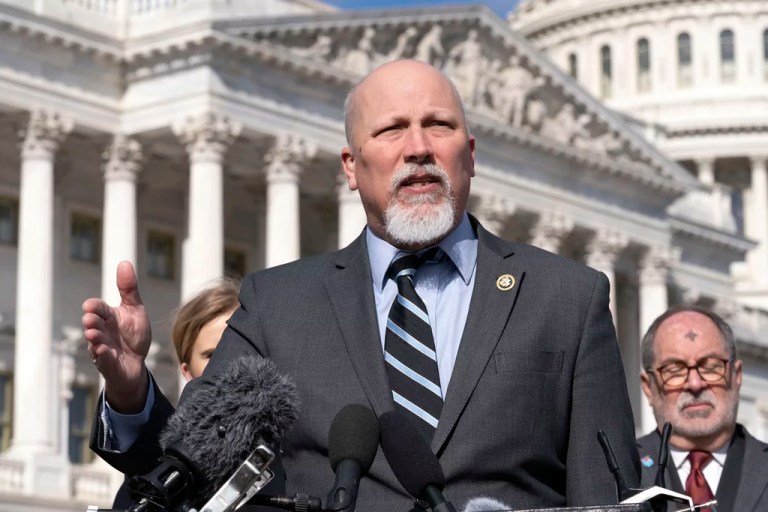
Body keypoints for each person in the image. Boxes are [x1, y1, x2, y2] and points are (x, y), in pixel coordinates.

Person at [85, 59, 639, 511]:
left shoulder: (568, 297)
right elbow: (190, 460)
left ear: (470, 156)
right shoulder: (279, 304)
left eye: (439, 125)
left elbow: (607, 496)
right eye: (392, 128)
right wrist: (132, 393)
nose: (418, 146)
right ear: (351, 166)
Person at [108, 277, 240, 508]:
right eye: (211, 355)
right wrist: (129, 391)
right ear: (187, 371)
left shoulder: (296, 448)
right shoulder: (163, 467)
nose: (227, 363)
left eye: (238, 349)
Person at [636, 305, 768, 511]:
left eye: (711, 366)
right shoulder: (615, 472)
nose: (695, 384)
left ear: (737, 375)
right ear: (648, 387)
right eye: (674, 370)